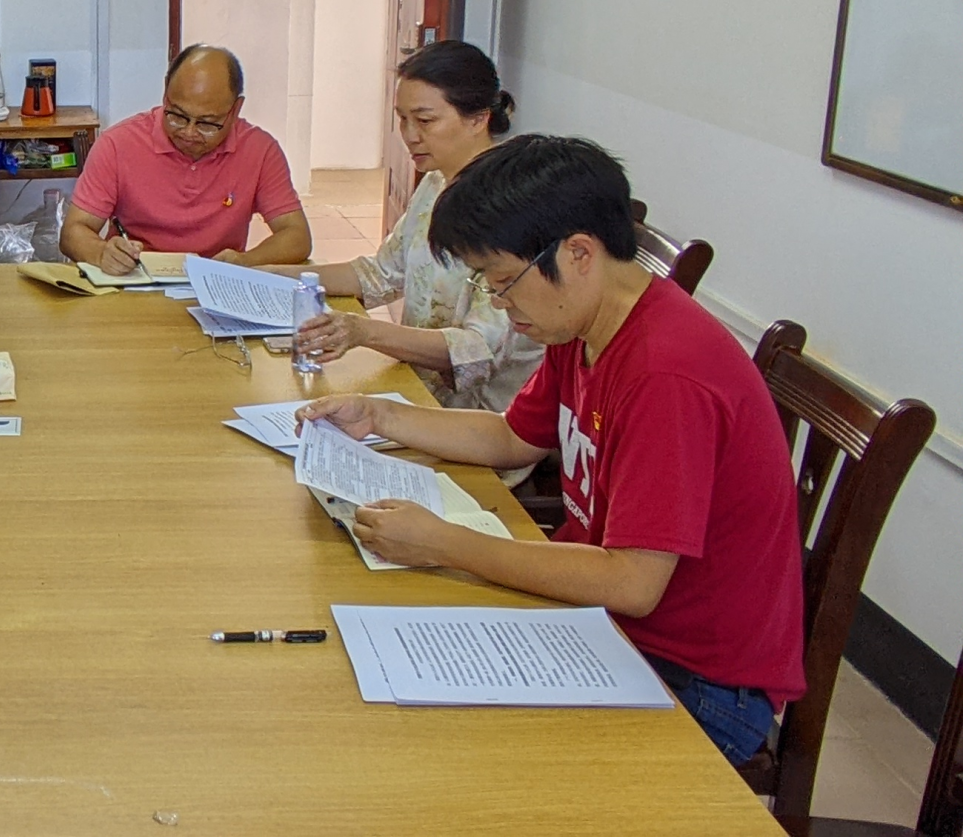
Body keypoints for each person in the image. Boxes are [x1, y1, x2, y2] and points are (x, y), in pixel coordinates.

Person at [300, 135, 804, 765]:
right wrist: (379, 415)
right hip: (607, 623)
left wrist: (445, 544)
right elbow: (513, 437)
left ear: (579, 252)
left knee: (453, 753)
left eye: (503, 281)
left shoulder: (665, 374)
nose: (500, 304)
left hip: (693, 678)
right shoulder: (583, 323)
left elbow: (632, 582)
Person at [268, 41, 542, 416]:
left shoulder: (513, 206)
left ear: (478, 118)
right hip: (416, 391)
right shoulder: (435, 183)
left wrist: (364, 332)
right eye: (402, 119)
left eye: (425, 121)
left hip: (482, 420)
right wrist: (268, 275)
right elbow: (381, 274)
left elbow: (478, 350)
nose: (410, 135)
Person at [60, 44, 310, 273]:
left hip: (217, 282)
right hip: (135, 281)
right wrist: (102, 253)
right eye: (177, 116)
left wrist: (245, 262)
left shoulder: (260, 151)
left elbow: (296, 235)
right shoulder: (118, 145)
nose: (189, 133)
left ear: (236, 109)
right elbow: (73, 231)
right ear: (166, 92)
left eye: (207, 123)